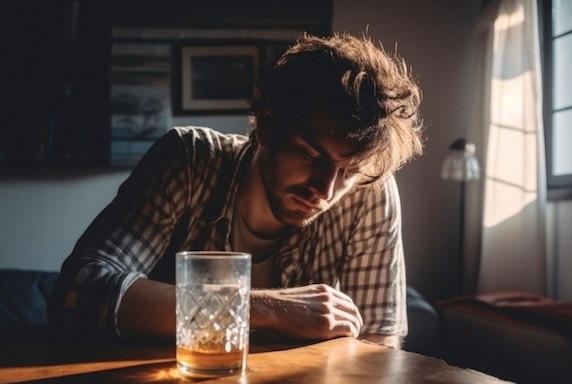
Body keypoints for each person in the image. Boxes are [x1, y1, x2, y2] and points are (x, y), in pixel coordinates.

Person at [48, 33, 424, 348]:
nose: (325, 190)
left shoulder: (369, 190)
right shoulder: (190, 159)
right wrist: (265, 308)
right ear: (265, 127)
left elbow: (377, 346)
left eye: (348, 171)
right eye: (311, 155)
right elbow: (78, 291)